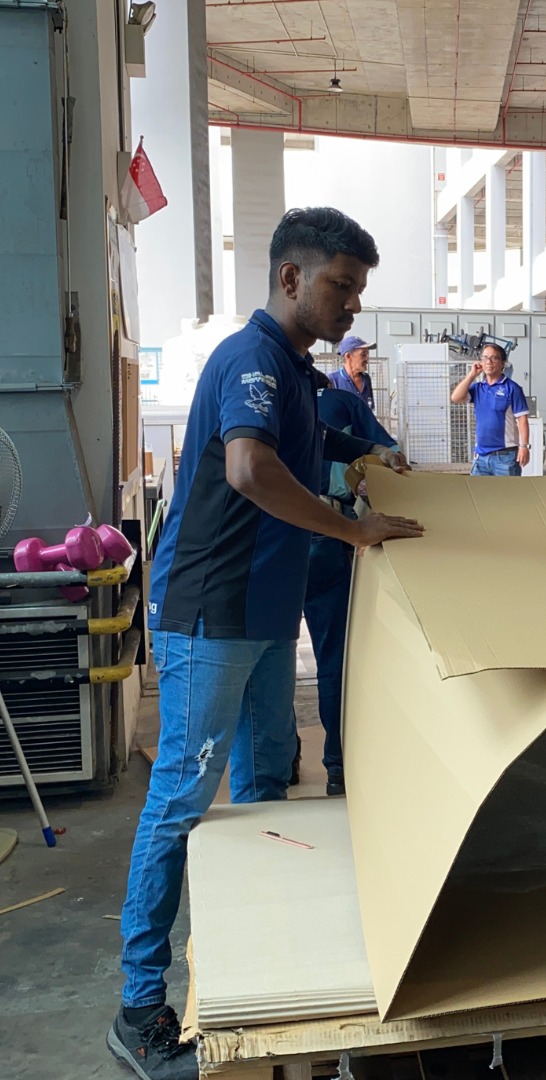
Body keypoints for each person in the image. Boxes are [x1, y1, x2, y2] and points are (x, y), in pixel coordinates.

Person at [108, 207, 423, 1080]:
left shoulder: (295, 371)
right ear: (290, 277)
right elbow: (250, 468)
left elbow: (311, 439)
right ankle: (139, 1008)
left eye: (358, 290)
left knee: (265, 787)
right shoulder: (250, 359)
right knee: (181, 798)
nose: (352, 305)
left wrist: (372, 453)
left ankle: (265, 978)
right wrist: (352, 529)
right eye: (342, 287)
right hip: (212, 616)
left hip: (262, 618)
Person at [301, 374, 401, 797]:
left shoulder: (272, 401)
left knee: (268, 657)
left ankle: (282, 760)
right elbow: (389, 454)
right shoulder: (344, 402)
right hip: (328, 532)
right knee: (333, 658)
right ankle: (338, 766)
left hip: (271, 538)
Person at [450, 343, 531, 476]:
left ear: (503, 364)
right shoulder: (478, 388)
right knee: (478, 490)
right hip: (481, 457)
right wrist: (471, 375)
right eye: (485, 357)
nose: (489, 361)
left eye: (494, 358)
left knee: (507, 490)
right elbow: (455, 397)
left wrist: (524, 446)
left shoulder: (512, 388)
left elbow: (522, 420)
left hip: (505, 457)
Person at [329, 334, 377, 411]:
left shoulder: (366, 378)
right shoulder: (332, 380)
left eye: (367, 354)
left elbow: (370, 409)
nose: (367, 359)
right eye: (363, 354)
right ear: (348, 356)